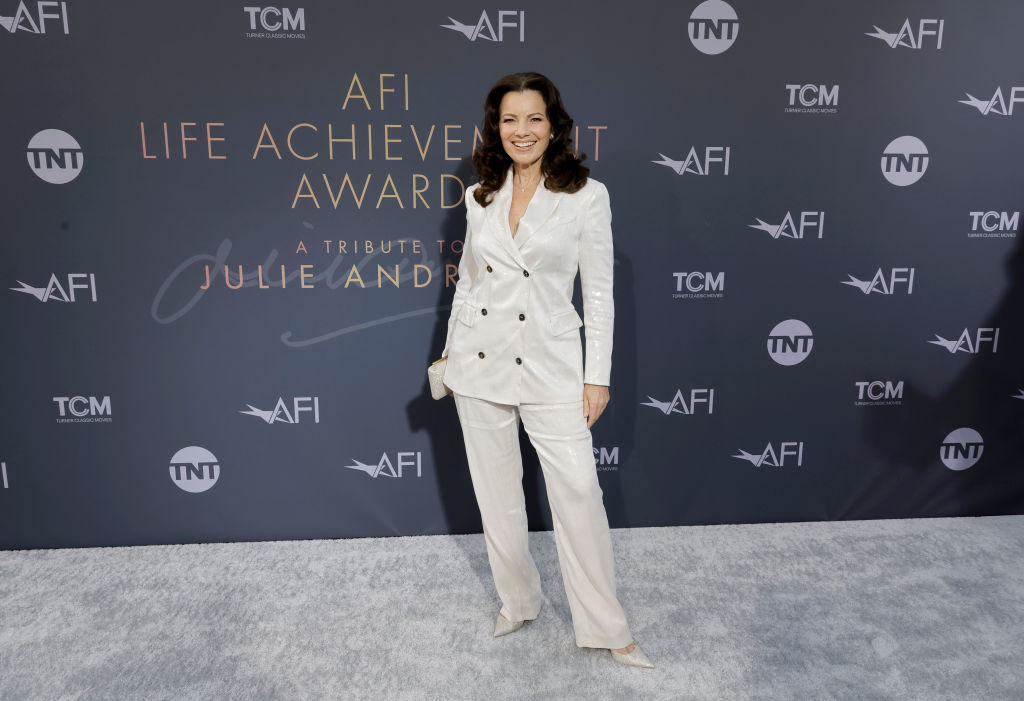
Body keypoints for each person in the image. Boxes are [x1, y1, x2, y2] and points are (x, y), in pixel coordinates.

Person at [440, 72, 653, 669]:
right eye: (510, 120)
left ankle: (608, 626)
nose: (522, 131)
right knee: (497, 497)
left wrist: (597, 376)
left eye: (533, 118)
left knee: (580, 492)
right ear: (496, 128)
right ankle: (519, 600)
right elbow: (469, 285)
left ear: (554, 125)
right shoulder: (480, 194)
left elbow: (601, 295)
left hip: (553, 365)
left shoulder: (587, 195)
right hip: (478, 366)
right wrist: (449, 353)